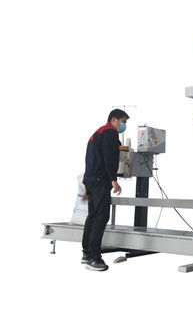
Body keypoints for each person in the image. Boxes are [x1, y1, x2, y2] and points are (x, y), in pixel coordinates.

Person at [81, 108, 129, 271]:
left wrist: (89, 185)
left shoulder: (98, 132)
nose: (124, 125)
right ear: (114, 120)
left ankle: (86, 253)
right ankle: (94, 258)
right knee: (101, 217)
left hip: (91, 179)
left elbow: (93, 159)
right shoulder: (109, 132)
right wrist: (113, 179)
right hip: (100, 180)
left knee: (92, 216)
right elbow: (110, 156)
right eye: (123, 121)